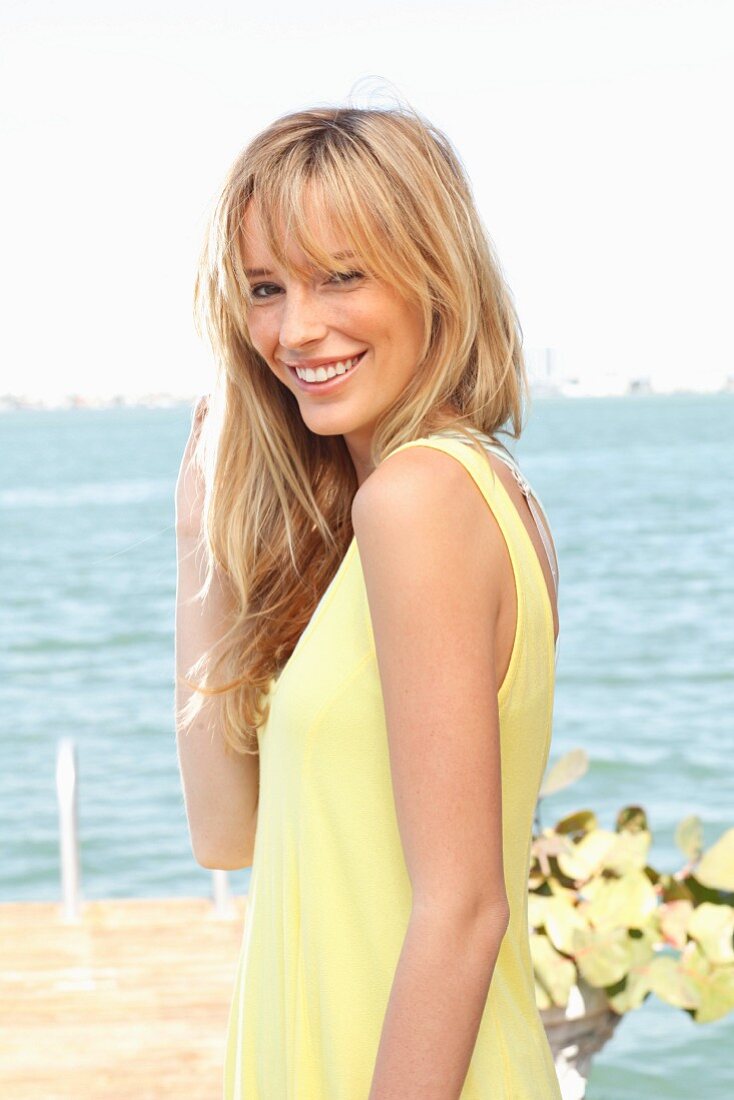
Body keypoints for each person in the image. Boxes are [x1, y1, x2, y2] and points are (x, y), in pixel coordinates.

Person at [174, 103, 562, 1100]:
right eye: (266, 288)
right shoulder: (435, 499)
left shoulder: (421, 499)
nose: (295, 328)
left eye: (340, 275)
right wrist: (200, 528)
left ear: (432, 274)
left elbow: (463, 907)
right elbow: (227, 833)